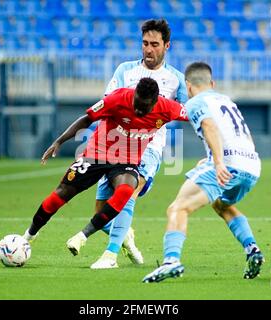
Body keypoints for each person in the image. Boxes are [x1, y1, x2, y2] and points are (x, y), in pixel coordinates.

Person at [22, 78, 188, 259]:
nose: (138, 110)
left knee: (126, 189)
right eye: (136, 104)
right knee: (61, 194)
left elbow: (196, 115)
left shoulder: (168, 108)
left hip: (126, 161)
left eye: (144, 107)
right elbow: (86, 119)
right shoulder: (118, 98)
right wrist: (59, 141)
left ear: (155, 102)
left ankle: (82, 236)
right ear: (134, 95)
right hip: (96, 154)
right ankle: (29, 235)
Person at [70, 18, 188, 269]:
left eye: (154, 44)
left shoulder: (176, 79)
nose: (148, 49)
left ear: (167, 45)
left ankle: (110, 255)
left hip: (150, 146)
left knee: (128, 192)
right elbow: (107, 102)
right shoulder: (125, 71)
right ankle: (125, 237)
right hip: (115, 147)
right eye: (145, 43)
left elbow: (191, 112)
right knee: (101, 210)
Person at [142, 62, 265, 283]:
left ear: (188, 86)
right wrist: (214, 159)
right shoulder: (226, 101)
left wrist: (218, 162)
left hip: (227, 164)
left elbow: (209, 126)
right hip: (251, 165)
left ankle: (171, 261)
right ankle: (253, 249)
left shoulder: (196, 102)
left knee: (178, 207)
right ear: (212, 83)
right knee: (222, 204)